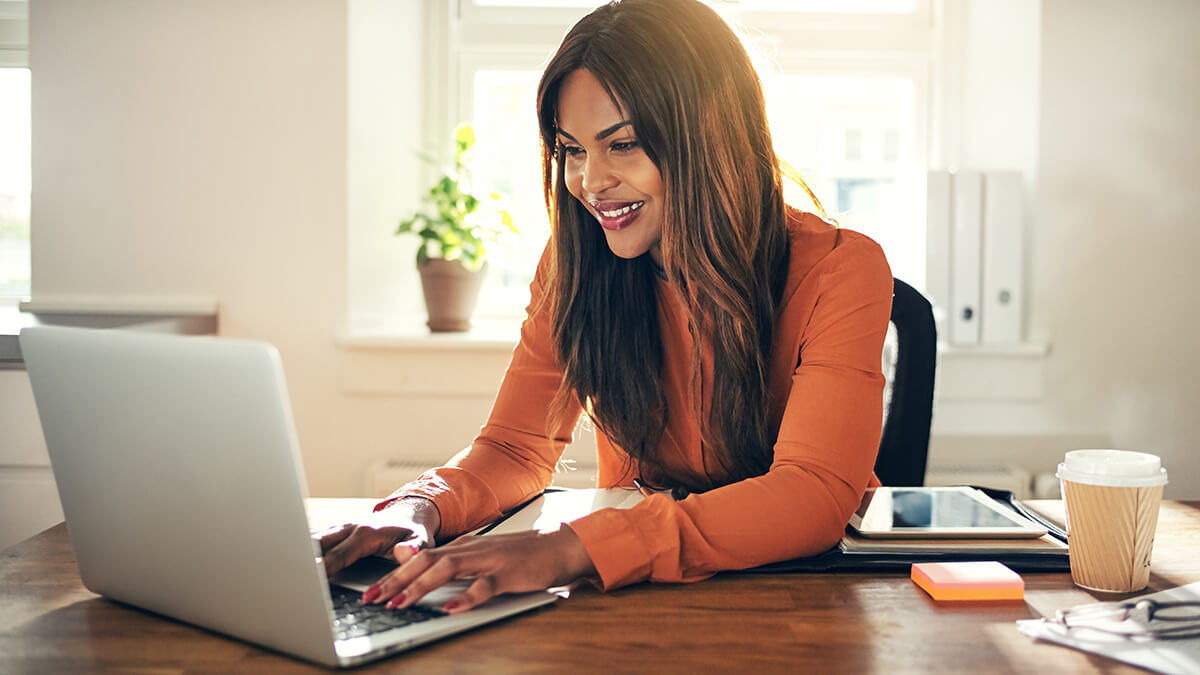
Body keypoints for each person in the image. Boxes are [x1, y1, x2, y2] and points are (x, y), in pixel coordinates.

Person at [317, 0, 893, 615]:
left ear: (709, 136)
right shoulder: (575, 265)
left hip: (803, 594)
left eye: (622, 145)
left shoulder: (841, 268)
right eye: (571, 150)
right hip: (635, 593)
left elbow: (811, 495)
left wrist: (568, 550)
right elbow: (515, 448)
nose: (590, 182)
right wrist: (418, 508)